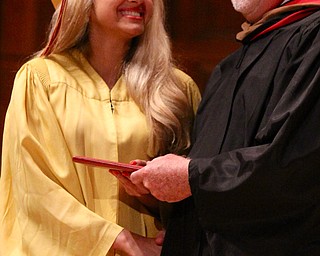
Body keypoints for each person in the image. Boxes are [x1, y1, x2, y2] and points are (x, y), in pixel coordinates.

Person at [0, 0, 201, 255]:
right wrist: (121, 240)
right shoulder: (42, 81)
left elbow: (198, 189)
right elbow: (32, 189)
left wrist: (152, 197)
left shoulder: (175, 91)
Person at [127, 0, 320, 255]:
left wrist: (190, 177)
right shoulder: (229, 66)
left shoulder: (312, 38)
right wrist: (163, 193)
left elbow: (295, 164)